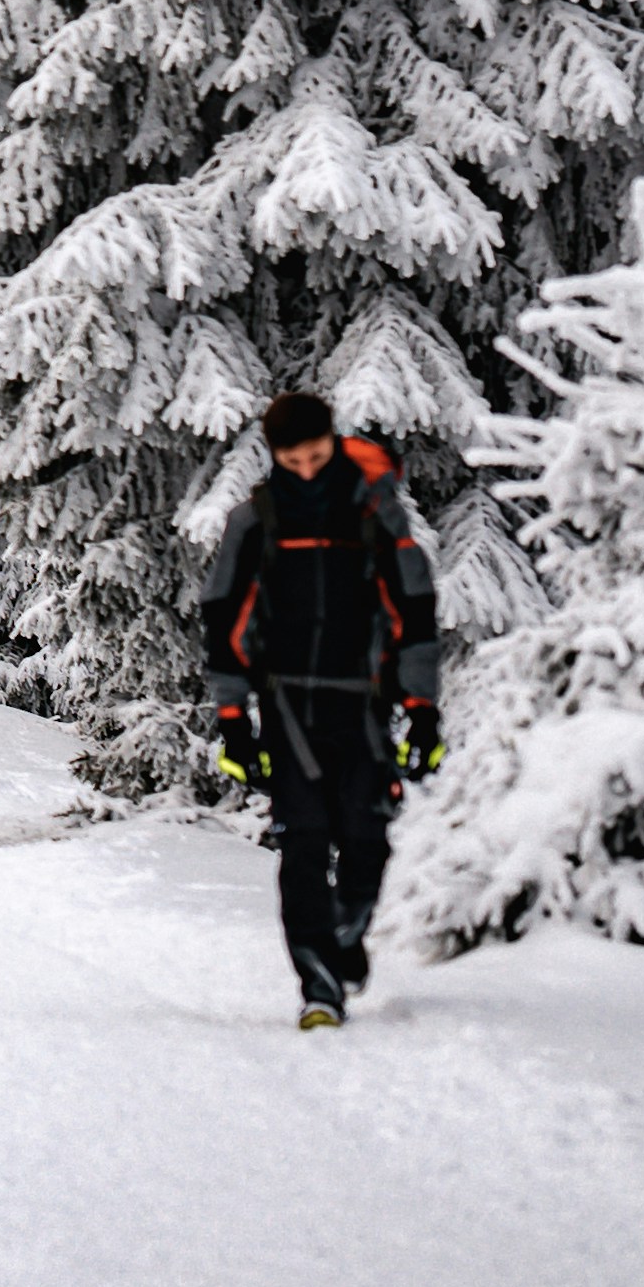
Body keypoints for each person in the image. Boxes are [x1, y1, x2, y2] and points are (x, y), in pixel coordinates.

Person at [199, 390, 442, 1029]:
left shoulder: (375, 513)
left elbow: (414, 612)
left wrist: (423, 709)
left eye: (314, 456)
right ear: (274, 456)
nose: (305, 469)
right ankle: (320, 984)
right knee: (303, 844)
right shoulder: (256, 520)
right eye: (291, 459)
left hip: (363, 704)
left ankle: (346, 936)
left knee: (367, 839)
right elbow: (224, 618)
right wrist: (233, 719)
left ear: (332, 442)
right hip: (287, 707)